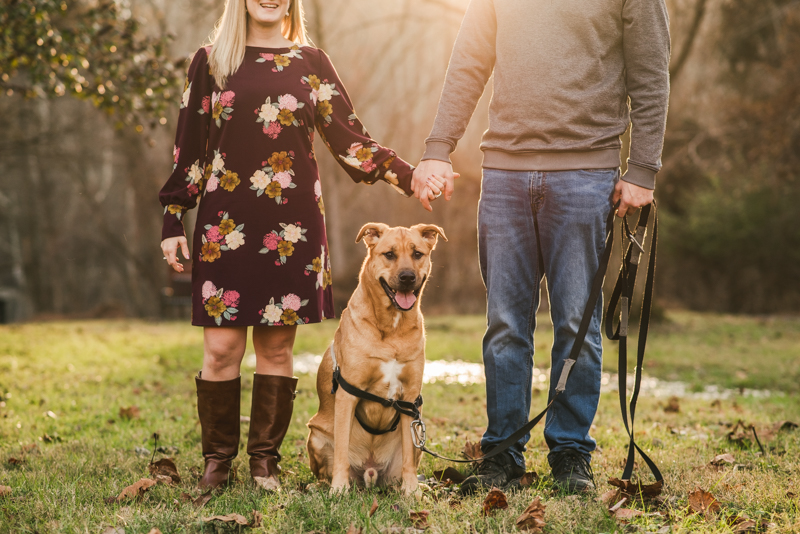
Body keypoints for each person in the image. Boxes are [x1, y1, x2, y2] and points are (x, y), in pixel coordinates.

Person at [159, 0, 435, 490]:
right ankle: (217, 464)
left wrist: (410, 177)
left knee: (277, 346)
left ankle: (264, 463)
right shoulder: (212, 61)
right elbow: (191, 147)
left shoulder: (311, 64)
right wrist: (173, 215)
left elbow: (352, 142)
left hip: (291, 231)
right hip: (224, 227)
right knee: (221, 348)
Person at [414, 0, 670, 493]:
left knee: (577, 322)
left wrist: (643, 168)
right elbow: (469, 58)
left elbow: (650, 71)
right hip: (504, 170)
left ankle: (571, 453)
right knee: (505, 323)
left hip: (585, 170)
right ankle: (503, 453)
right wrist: (438, 147)